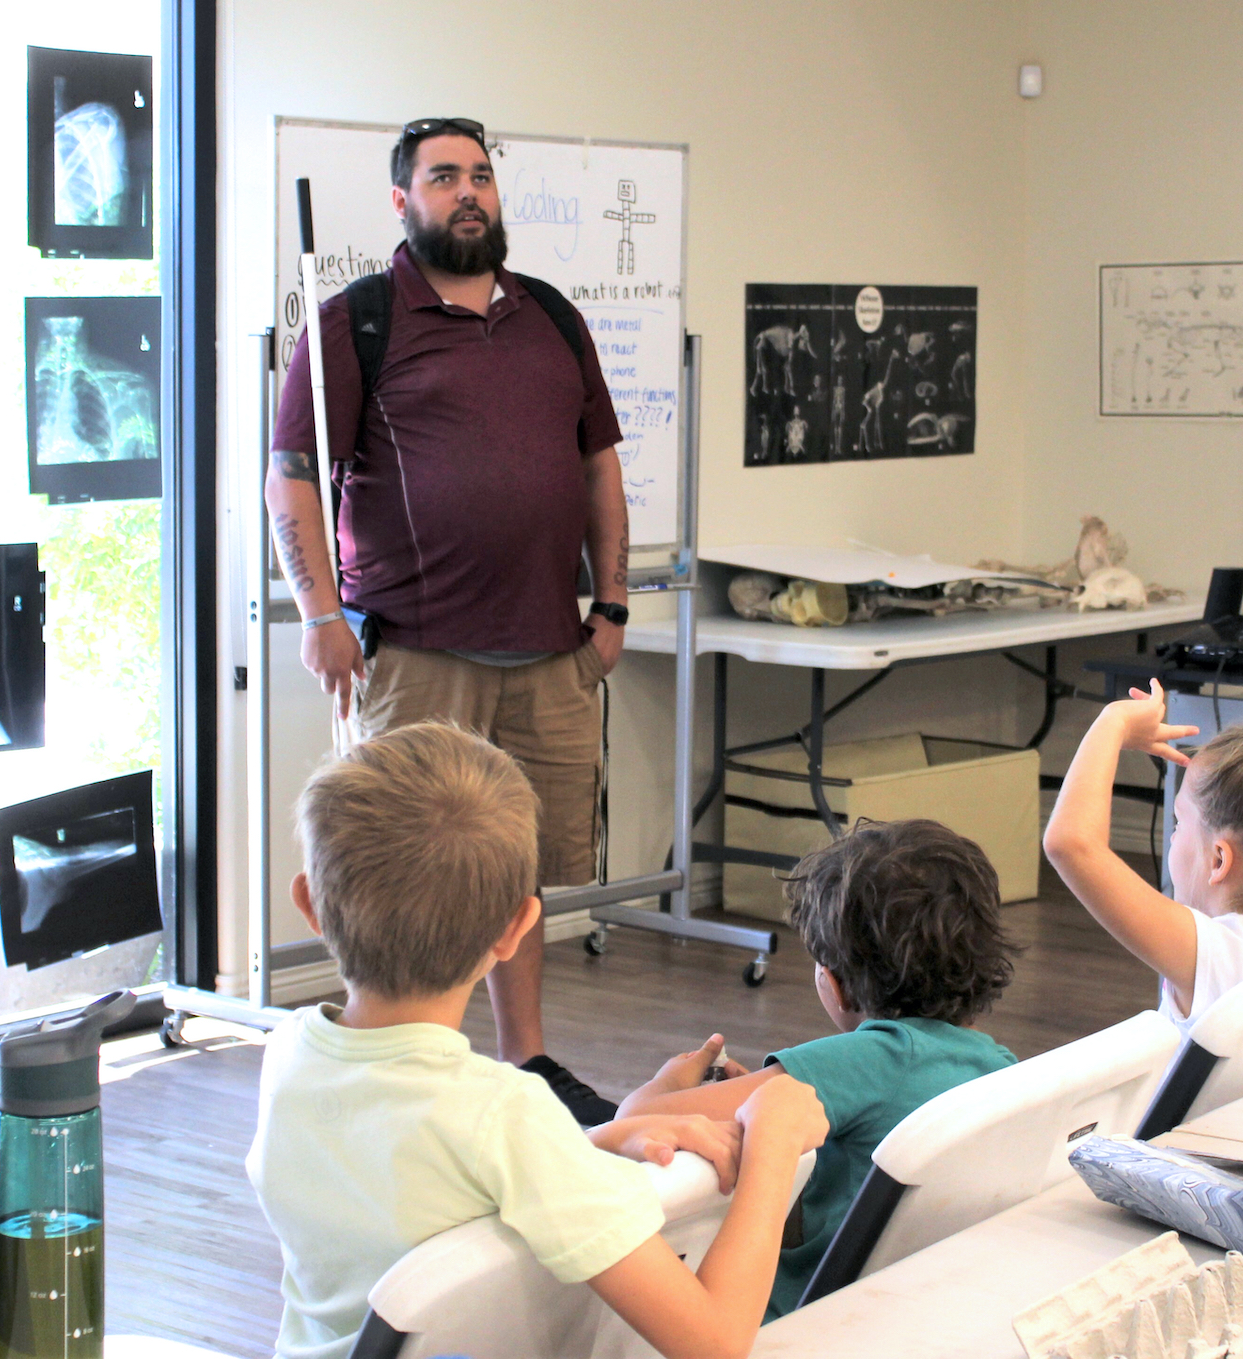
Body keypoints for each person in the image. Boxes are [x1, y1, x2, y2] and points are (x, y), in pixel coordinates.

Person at [247, 723, 828, 1359]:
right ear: (519, 928)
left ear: (309, 904)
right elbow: (712, 1343)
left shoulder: (287, 1054)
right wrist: (773, 1148)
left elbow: (428, 1187)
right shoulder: (502, 1113)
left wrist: (591, 1143)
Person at [264, 117, 631, 1121]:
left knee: (525, 873)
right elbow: (292, 475)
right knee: (414, 876)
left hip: (550, 651)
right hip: (416, 653)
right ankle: (416, 1077)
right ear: (402, 201)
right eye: (441, 178)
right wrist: (316, 612)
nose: (466, 193)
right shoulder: (357, 322)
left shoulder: (551, 318)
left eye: (479, 176)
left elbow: (598, 464)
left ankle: (526, 1066)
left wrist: (611, 604)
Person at [615, 819, 1019, 1320]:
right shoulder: (999, 1064)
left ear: (835, 983)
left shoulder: (874, 1059)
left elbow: (634, 1123)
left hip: (791, 1316)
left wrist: (667, 1082)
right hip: (906, 1304)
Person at [1043, 680, 1243, 1029]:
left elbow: (1070, 844)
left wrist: (1112, 723)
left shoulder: (1225, 957)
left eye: (1178, 823)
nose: (1174, 835)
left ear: (1218, 861)